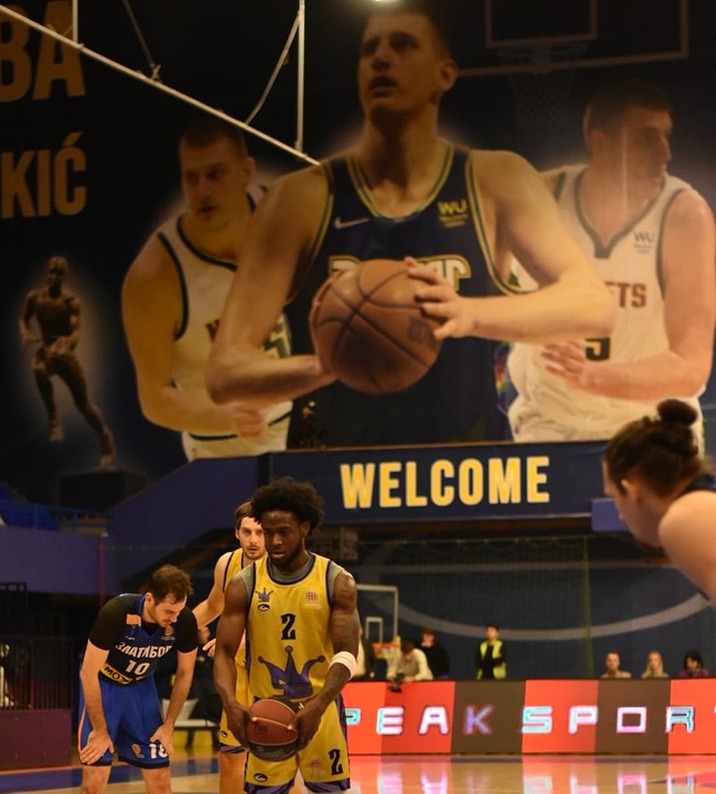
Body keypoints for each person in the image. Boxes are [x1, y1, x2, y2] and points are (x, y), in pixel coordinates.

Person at [205, 0, 614, 447]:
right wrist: (323, 365)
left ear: (445, 74)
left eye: (402, 45)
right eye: (369, 50)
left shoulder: (496, 179)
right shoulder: (298, 198)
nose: (381, 58)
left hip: (465, 469)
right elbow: (225, 372)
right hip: (329, 469)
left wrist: (468, 313)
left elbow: (594, 306)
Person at [507, 78, 715, 443]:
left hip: (653, 423)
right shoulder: (538, 199)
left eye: (666, 137)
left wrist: (593, 377)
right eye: (647, 139)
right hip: (550, 423)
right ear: (600, 144)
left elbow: (690, 366)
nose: (665, 153)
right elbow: (482, 296)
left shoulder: (684, 215)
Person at [213, 478, 364, 794]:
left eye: (283, 531)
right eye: (265, 531)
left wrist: (319, 704)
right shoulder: (244, 584)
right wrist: (231, 702)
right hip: (266, 716)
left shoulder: (336, 581)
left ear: (306, 528)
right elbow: (224, 652)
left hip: (322, 713)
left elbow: (348, 653)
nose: (273, 541)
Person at [121, 116, 292, 462]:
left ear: (246, 172)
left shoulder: (283, 215)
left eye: (215, 174)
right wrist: (225, 418)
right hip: (224, 453)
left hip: (306, 432)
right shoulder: (155, 275)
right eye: (192, 178)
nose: (203, 190)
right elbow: (154, 398)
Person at [69, 563, 202, 794]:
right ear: (150, 599)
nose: (173, 618)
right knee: (94, 780)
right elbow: (87, 673)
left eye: (178, 611)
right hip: (104, 689)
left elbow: (185, 673)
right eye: (168, 611)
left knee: (160, 779)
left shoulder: (183, 621)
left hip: (141, 693)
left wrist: (169, 725)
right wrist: (101, 729)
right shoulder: (116, 612)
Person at [193, 500, 304, 794]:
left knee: (285, 768)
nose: (256, 540)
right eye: (248, 532)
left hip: (279, 676)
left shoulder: (290, 566)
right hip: (240, 676)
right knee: (229, 759)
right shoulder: (227, 565)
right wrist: (173, 627)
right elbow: (214, 606)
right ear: (237, 534)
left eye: (262, 532)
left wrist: (240, 641)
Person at [604, 399, 716, 607]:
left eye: (615, 498)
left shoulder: (686, 517)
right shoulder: (701, 503)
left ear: (631, 490)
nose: (620, 515)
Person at [19, 256, 117, 468]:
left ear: (63, 276)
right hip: (46, 351)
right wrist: (25, 332)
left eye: (57, 273)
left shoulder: (70, 301)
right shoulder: (35, 298)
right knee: (37, 367)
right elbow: (24, 319)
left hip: (64, 355)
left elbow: (76, 331)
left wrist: (69, 343)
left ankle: (105, 437)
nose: (52, 276)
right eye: (50, 271)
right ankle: (54, 417)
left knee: (83, 404)